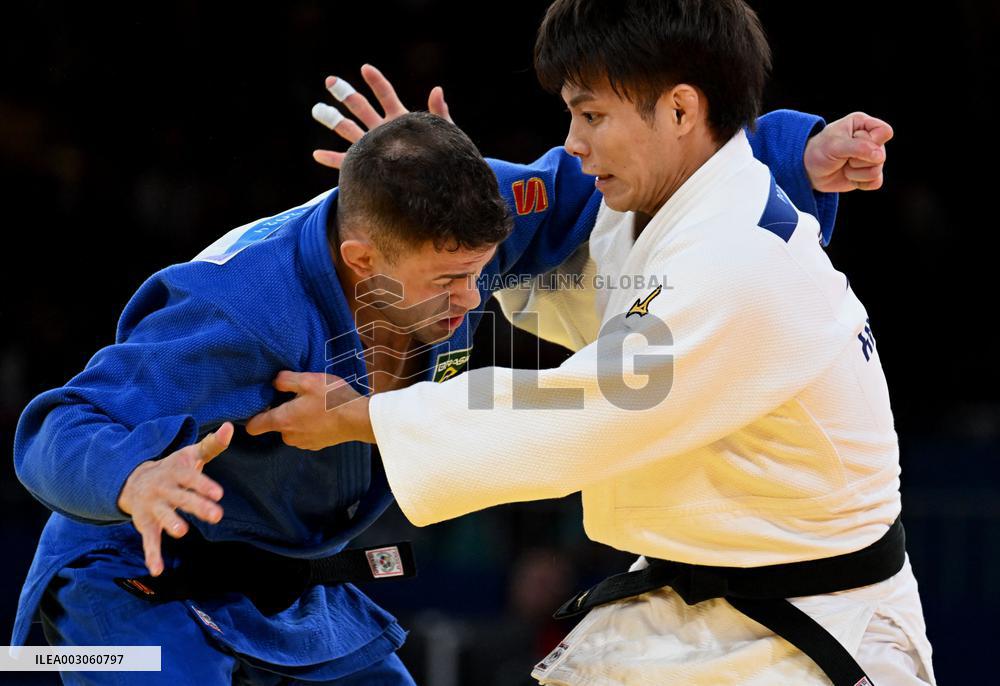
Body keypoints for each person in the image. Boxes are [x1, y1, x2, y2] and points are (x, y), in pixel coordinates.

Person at [14, 37, 880, 686]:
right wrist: (132, 477)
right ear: (363, 261)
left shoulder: (465, 218)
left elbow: (634, 170)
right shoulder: (233, 314)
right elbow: (59, 424)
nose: (477, 302)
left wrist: (795, 153)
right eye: (451, 281)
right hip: (131, 587)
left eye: (481, 272)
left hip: (291, 588)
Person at [248, 2, 933, 685]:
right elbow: (560, 280)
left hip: (808, 635)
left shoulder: (734, 264)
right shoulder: (667, 215)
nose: (574, 142)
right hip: (704, 607)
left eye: (593, 115)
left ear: (680, 111)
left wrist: (365, 417)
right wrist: (437, 197)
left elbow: (579, 414)